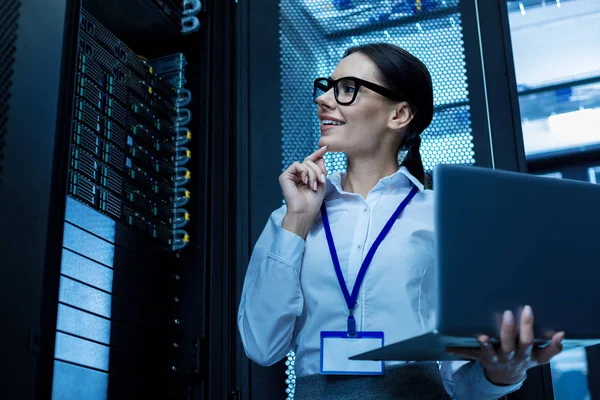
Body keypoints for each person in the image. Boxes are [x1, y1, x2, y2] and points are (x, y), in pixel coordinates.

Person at [237, 43, 564, 399]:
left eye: (347, 89)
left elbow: (463, 386)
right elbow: (261, 346)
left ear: (399, 115)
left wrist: (501, 375)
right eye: (327, 87)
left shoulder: (444, 216)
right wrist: (298, 221)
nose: (324, 100)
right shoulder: (290, 217)